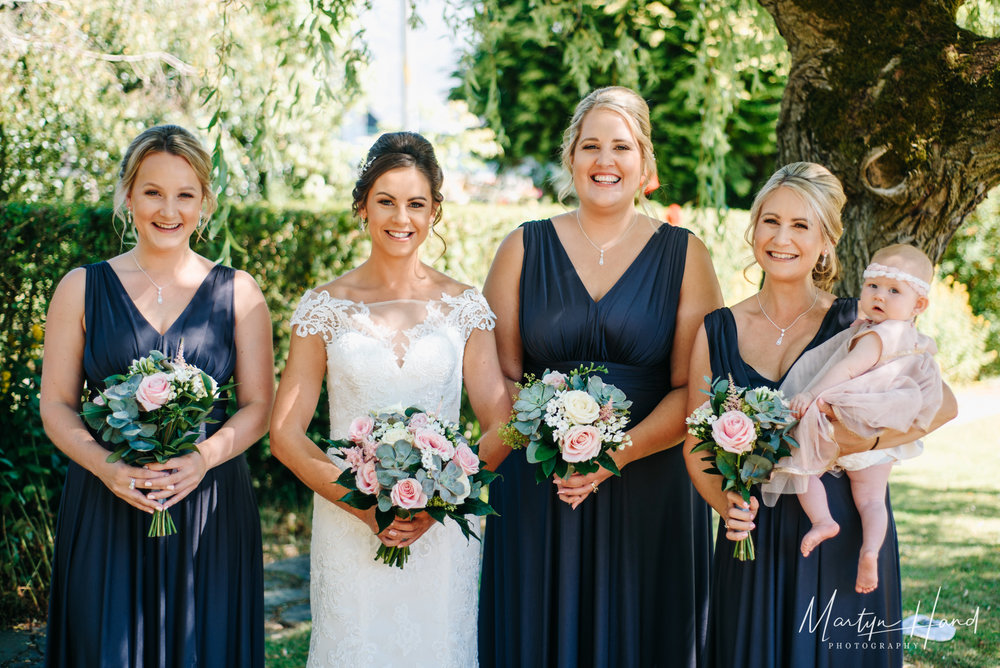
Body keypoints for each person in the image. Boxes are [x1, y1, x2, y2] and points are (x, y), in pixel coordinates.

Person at [479, 86, 723, 667]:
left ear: (645, 164)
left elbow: (696, 388)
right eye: (590, 145)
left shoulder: (686, 255)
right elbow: (500, 375)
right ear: (571, 158)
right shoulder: (522, 246)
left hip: (652, 482)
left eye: (621, 147)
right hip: (544, 484)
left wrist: (613, 455)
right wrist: (554, 442)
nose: (604, 161)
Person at [682, 162, 957, 668]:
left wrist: (849, 444)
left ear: (827, 241)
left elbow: (942, 403)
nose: (781, 237)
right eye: (770, 221)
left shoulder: (861, 317)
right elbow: (694, 438)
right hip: (755, 535)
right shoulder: (716, 329)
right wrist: (725, 505)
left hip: (845, 528)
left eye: (801, 225)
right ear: (754, 228)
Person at [269, 131, 510, 668]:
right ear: (362, 206)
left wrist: (443, 499)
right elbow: (285, 434)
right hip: (347, 518)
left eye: (416, 204)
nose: (401, 217)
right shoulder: (324, 308)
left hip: (442, 531)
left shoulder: (465, 306)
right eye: (386, 201)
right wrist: (363, 506)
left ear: (434, 213)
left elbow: (502, 422)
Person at [40, 125, 274, 667]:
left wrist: (202, 459)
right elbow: (55, 405)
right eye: (152, 192)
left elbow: (260, 406)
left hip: (209, 504)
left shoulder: (239, 291)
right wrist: (107, 468)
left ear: (204, 203)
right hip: (106, 502)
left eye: (185, 194)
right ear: (127, 194)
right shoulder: (81, 287)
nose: (168, 210)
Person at [763, 243, 942, 594]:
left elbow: (847, 369)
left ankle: (822, 520)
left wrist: (810, 395)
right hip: (880, 436)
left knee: (800, 463)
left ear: (918, 305)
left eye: (894, 290)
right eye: (873, 286)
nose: (880, 296)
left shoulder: (878, 335)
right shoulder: (913, 338)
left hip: (848, 416)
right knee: (873, 501)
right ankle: (871, 550)